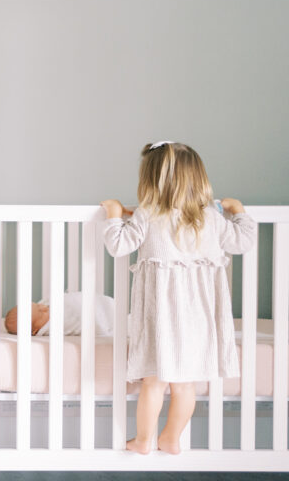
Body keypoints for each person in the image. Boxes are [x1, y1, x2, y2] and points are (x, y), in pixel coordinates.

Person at [101, 141, 256, 455]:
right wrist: (239, 212)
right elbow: (244, 240)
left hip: (161, 319)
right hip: (199, 318)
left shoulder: (148, 215)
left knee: (153, 382)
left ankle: (143, 440)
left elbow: (118, 245)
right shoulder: (211, 219)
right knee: (186, 385)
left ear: (151, 181)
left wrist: (115, 215)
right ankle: (171, 438)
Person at [3, 292, 115, 336]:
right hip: (107, 320)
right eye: (41, 314)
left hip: (103, 306)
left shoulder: (48, 304)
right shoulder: (53, 327)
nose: (44, 308)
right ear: (35, 331)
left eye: (38, 306)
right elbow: (74, 319)